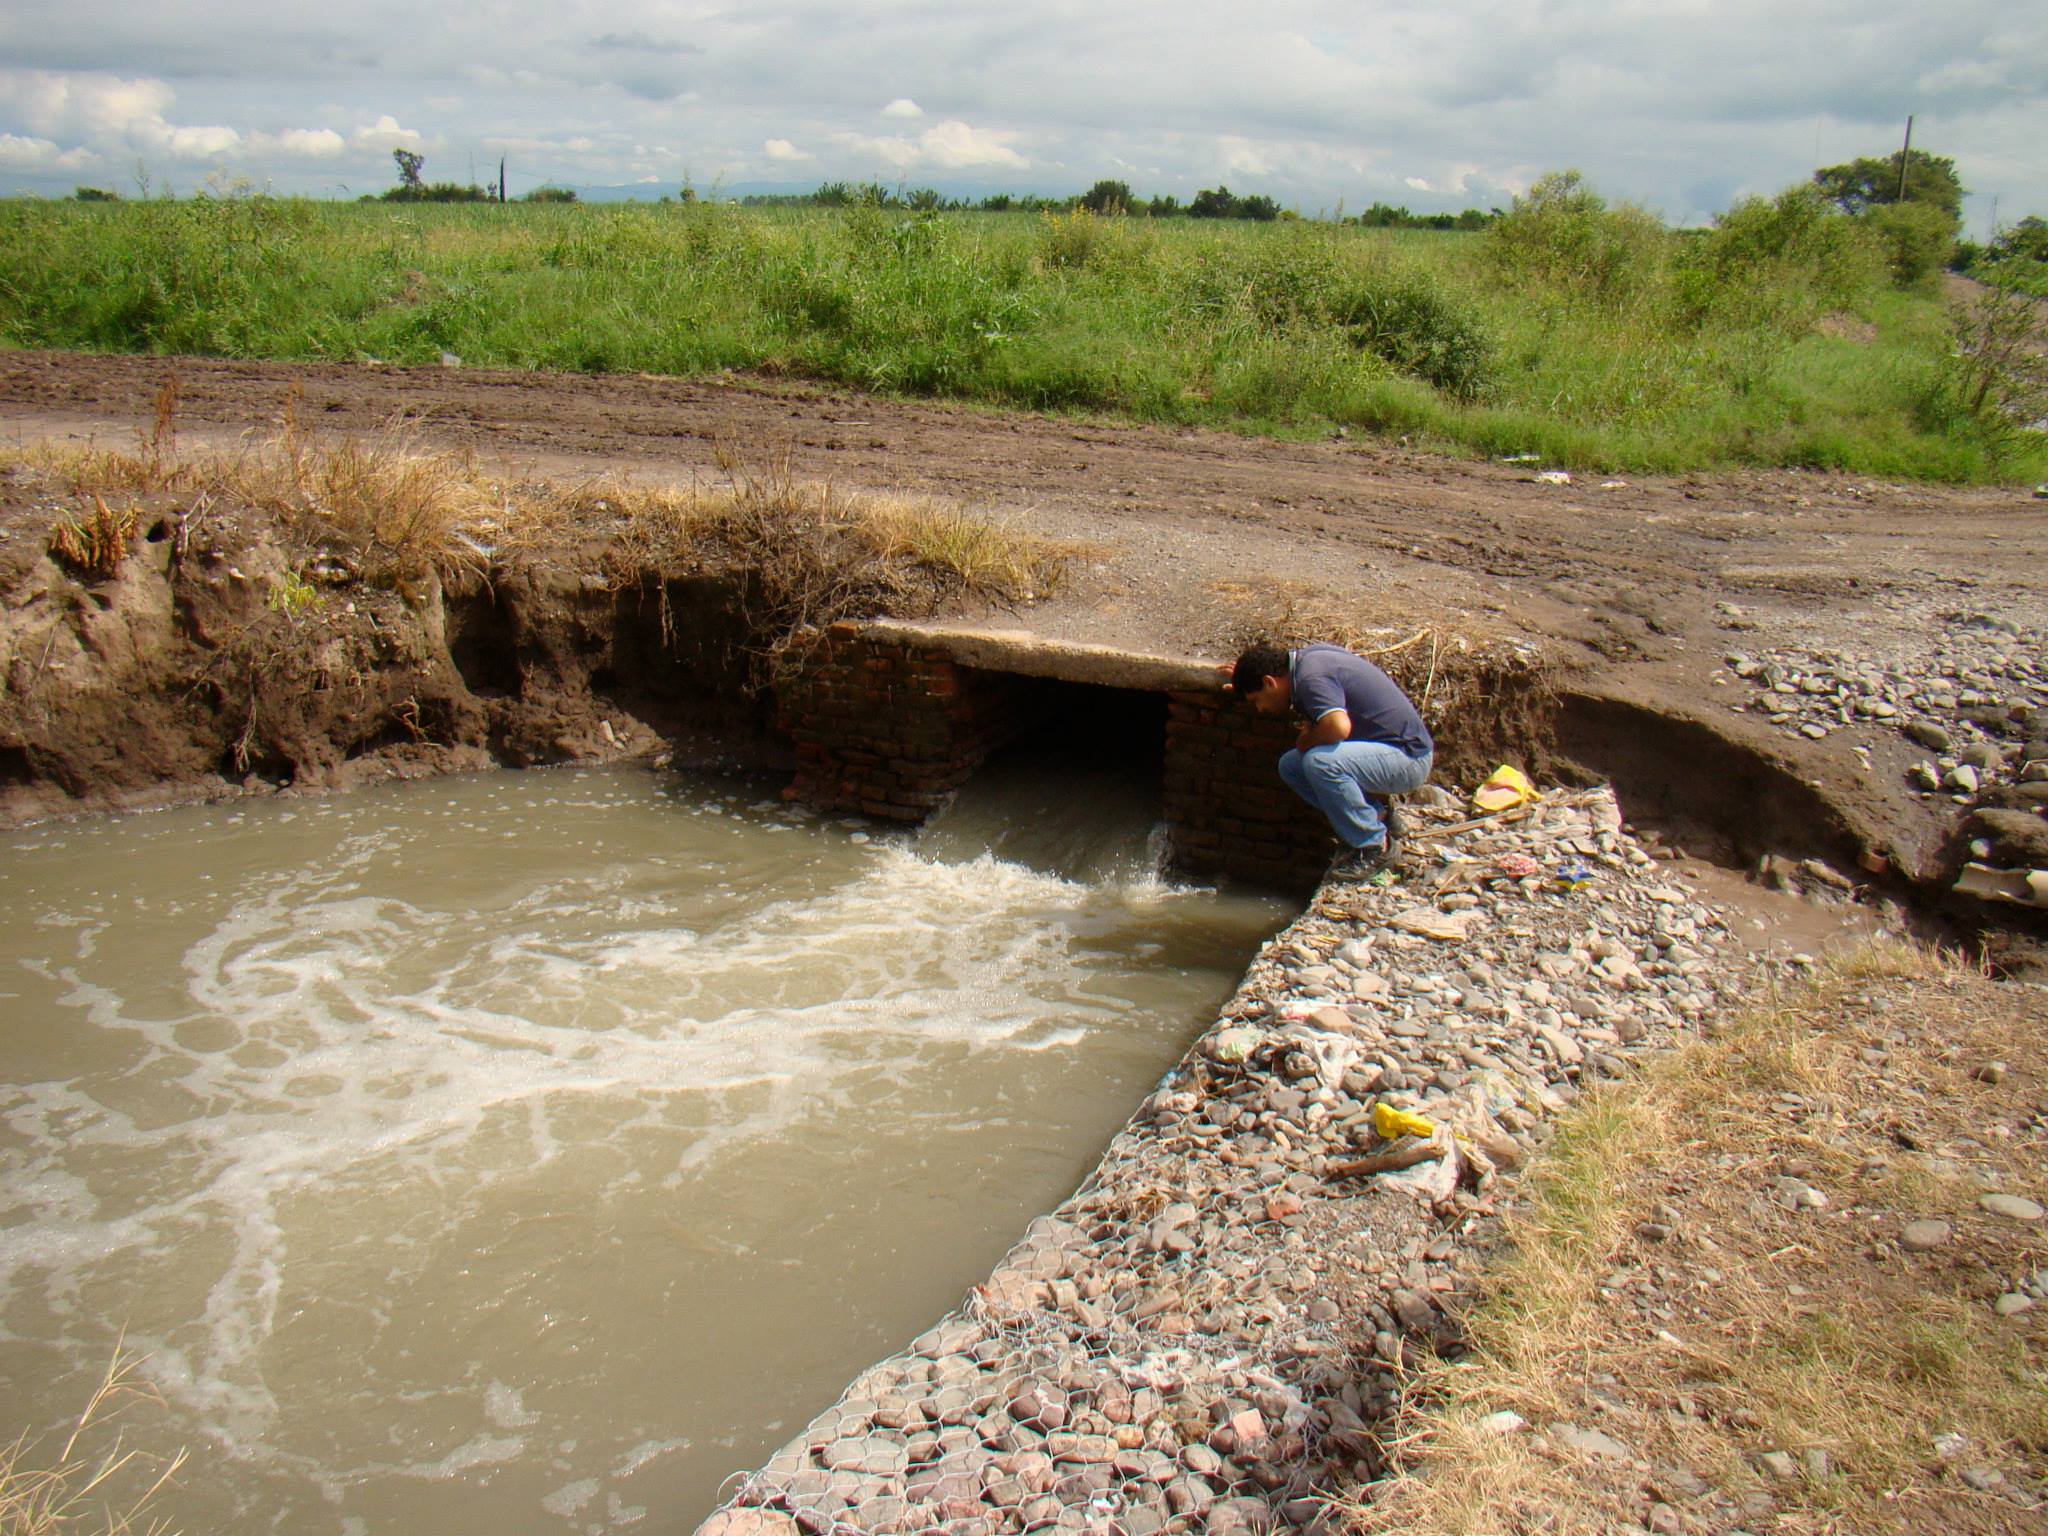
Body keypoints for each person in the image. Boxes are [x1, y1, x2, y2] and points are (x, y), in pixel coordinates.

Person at [1226, 641, 1434, 878]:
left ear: (1269, 681)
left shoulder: (1310, 679)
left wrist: (1304, 741)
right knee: (1291, 766)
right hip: (1387, 753)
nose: (1260, 709)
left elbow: (1338, 727)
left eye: (1256, 700)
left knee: (1320, 762)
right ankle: (1375, 813)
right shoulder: (1306, 662)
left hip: (1408, 759)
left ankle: (1373, 846)